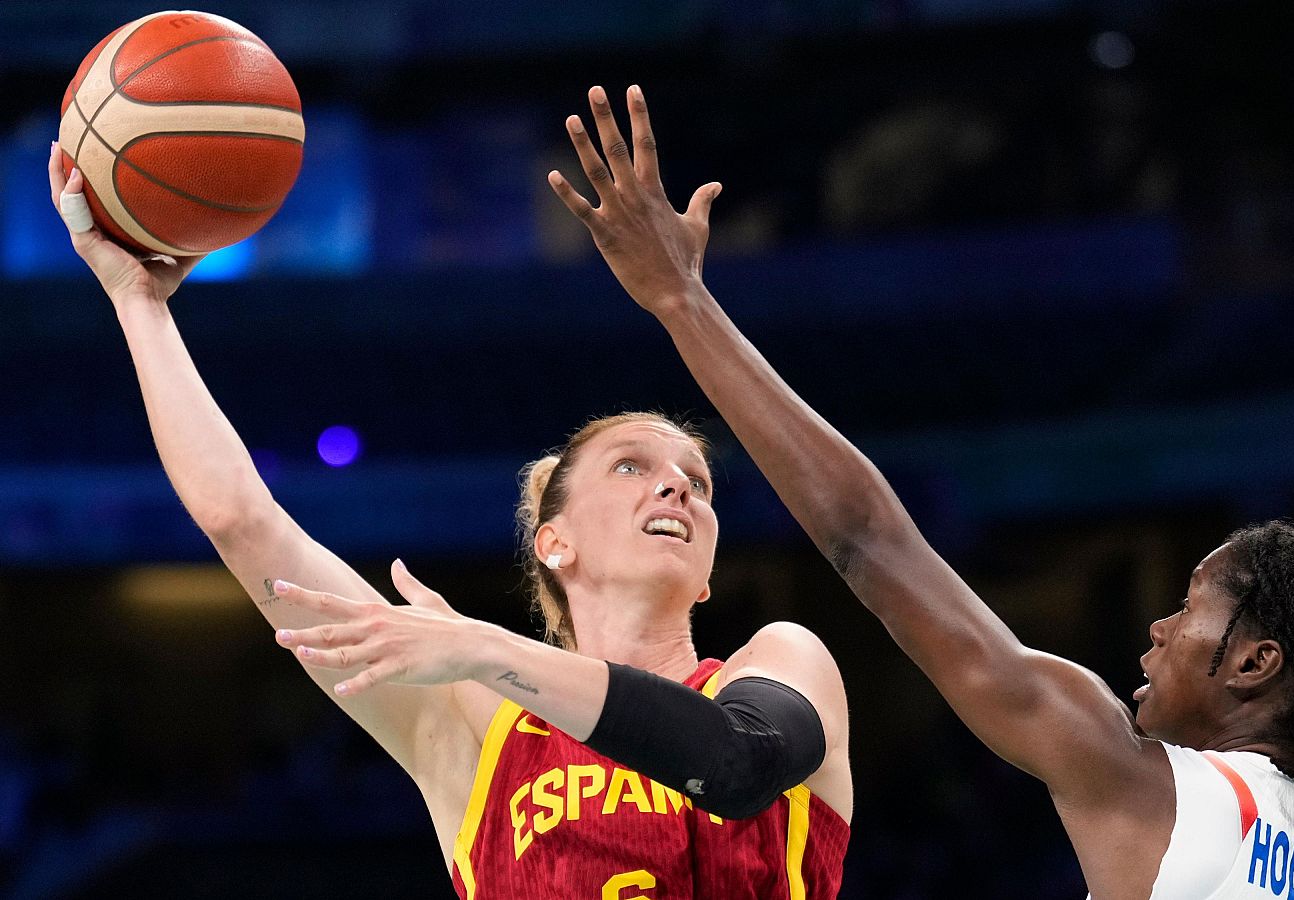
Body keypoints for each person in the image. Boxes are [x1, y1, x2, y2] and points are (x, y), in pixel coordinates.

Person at [545, 84, 1294, 899]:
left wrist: (682, 302)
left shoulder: (1148, 784)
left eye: (1190, 609)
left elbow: (870, 543)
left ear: (1255, 664)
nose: (1157, 628)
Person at [48, 143, 851, 900]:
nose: (677, 488)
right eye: (632, 467)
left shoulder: (782, 661)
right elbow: (243, 523)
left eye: (698, 483)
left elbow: (739, 763)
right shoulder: (471, 719)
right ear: (554, 541)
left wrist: (484, 646)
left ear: (708, 575)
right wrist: (138, 302)